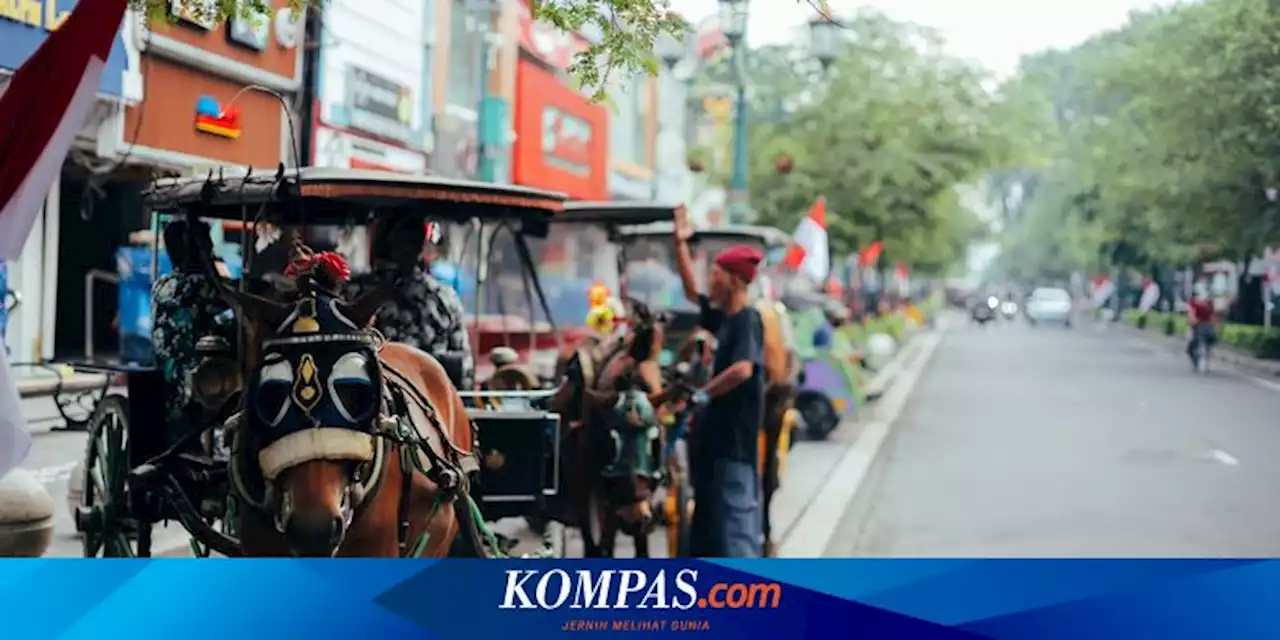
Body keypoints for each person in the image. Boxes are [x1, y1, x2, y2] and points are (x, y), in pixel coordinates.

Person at [672, 204, 766, 558]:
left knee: (736, 537)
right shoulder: (724, 319)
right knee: (708, 539)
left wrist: (703, 395)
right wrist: (680, 244)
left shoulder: (747, 321)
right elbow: (690, 291)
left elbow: (743, 369)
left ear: (734, 281)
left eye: (715, 274)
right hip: (712, 452)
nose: (710, 280)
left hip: (733, 451)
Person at [343, 218, 474, 390]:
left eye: (410, 238)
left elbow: (462, 367)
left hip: (425, 396)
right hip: (375, 395)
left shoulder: (443, 297)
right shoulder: (354, 292)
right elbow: (465, 373)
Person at [1187, 292, 1217, 363]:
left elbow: (1213, 315)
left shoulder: (1209, 304)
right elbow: (1191, 313)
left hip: (1206, 326)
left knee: (1211, 338)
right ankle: (1191, 352)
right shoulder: (1193, 303)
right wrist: (1194, 320)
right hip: (1195, 325)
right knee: (1192, 340)